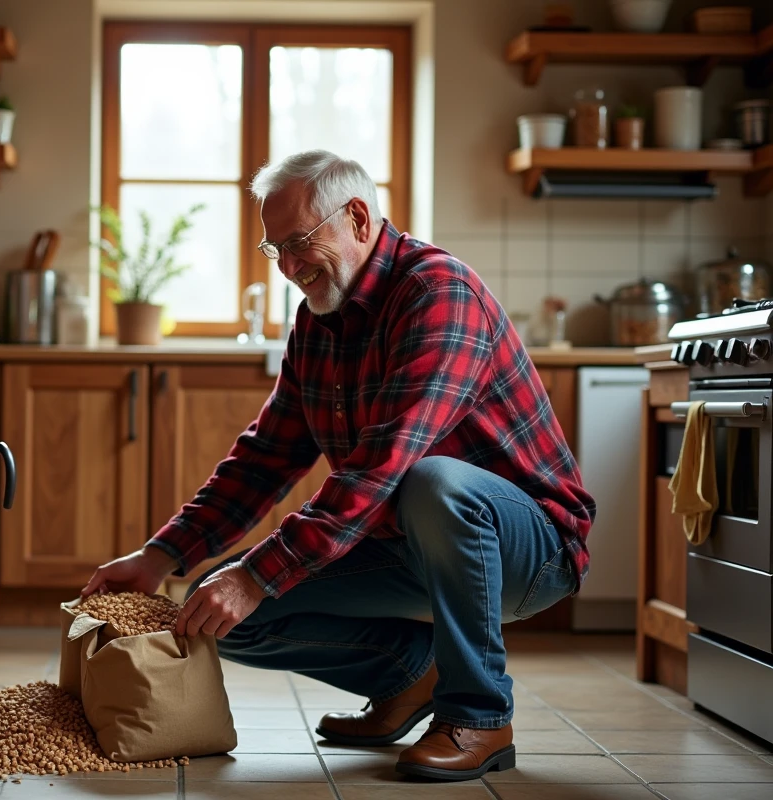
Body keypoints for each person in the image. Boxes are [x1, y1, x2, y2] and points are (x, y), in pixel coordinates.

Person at [80, 149, 595, 782]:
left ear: (356, 217)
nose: (290, 269)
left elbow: (382, 468)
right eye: (277, 251)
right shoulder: (316, 324)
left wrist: (259, 573)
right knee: (223, 611)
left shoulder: (439, 294)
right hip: (406, 544)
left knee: (432, 483)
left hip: (530, 548)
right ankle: (414, 676)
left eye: (298, 243)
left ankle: (479, 714)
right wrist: (162, 556)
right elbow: (262, 459)